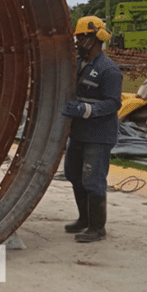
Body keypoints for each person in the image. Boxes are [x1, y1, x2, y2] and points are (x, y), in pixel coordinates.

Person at [61, 16, 122, 243]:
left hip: (98, 134)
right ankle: (84, 219)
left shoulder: (109, 70)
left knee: (92, 179)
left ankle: (97, 228)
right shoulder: (81, 64)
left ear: (94, 38)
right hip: (79, 132)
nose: (77, 42)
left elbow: (114, 103)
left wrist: (85, 109)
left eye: (81, 37)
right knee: (74, 174)